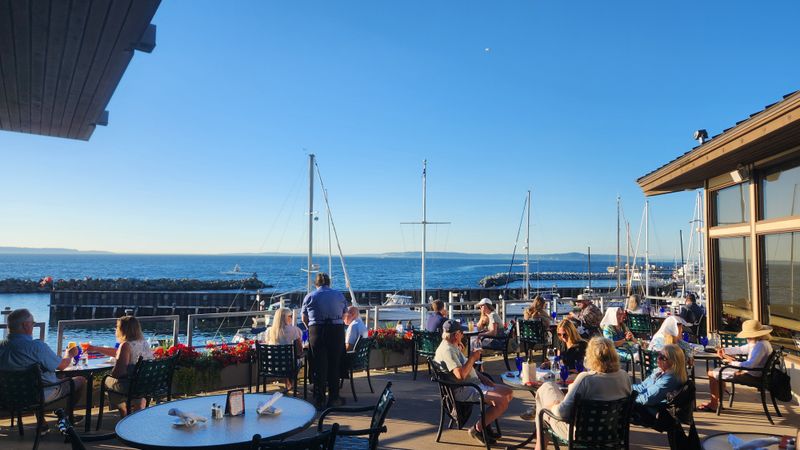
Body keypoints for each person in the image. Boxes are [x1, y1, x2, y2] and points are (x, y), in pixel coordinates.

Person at [533, 337, 632, 450]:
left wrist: (553, 406)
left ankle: (539, 447)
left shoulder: (586, 379)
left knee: (544, 403)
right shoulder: (624, 377)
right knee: (549, 389)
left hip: (580, 434)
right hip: (610, 432)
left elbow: (562, 413)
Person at [434, 319, 514, 445]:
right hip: (463, 389)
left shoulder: (452, 346)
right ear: (456, 334)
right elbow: (460, 375)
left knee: (508, 392)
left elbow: (467, 369)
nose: (463, 335)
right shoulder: (447, 351)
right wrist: (472, 357)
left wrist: (483, 377)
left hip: (473, 384)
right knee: (501, 400)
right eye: (462, 333)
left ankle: (485, 422)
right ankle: (477, 429)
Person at [0, 308, 86, 415]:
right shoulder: (37, 347)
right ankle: (67, 417)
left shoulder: (1, 347)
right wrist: (69, 354)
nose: (33, 326)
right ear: (26, 325)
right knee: (80, 380)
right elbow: (62, 366)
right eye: (33, 323)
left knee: (44, 380)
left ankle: (42, 423)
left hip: (6, 395)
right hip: (36, 396)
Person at [697, 319, 773, 412]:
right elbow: (741, 349)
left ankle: (714, 404)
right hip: (755, 373)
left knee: (712, 373)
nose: (747, 338)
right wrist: (724, 350)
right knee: (718, 371)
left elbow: (750, 365)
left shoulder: (760, 345)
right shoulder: (760, 343)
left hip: (751, 375)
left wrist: (731, 362)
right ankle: (718, 402)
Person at [88, 315, 154, 417]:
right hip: (145, 383)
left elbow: (118, 373)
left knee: (106, 382)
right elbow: (118, 353)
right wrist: (95, 348)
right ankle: (138, 406)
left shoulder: (126, 345)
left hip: (131, 386)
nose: (116, 329)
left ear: (122, 330)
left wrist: (110, 373)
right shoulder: (144, 343)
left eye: (117, 327)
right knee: (121, 382)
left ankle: (125, 414)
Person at [521, 319, 587, 420]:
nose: (562, 337)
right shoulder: (562, 343)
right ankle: (540, 412)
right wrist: (549, 363)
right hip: (562, 373)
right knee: (542, 382)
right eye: (559, 335)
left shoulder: (581, 346)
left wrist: (563, 367)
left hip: (574, 377)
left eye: (565, 334)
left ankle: (538, 411)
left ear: (571, 332)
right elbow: (559, 359)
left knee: (546, 385)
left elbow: (581, 367)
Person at [301, 272, 349, 409]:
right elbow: (344, 314)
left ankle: (319, 399)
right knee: (334, 364)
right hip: (335, 330)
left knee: (318, 365)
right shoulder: (339, 295)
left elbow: (304, 318)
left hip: (317, 331)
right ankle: (334, 398)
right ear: (328, 283)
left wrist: (310, 328)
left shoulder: (309, 296)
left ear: (315, 284)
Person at [631, 344, 687, 426]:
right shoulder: (659, 371)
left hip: (655, 411)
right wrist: (626, 388)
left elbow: (647, 399)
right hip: (648, 404)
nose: (658, 359)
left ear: (673, 361)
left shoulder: (671, 378)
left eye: (662, 357)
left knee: (619, 405)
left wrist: (628, 397)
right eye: (658, 355)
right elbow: (642, 386)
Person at [263, 307, 303, 391]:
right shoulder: (294, 330)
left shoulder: (269, 331)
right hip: (289, 366)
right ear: (286, 317)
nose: (292, 318)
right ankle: (290, 383)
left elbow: (268, 346)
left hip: (272, 365)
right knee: (298, 360)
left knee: (283, 359)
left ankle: (287, 382)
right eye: (290, 316)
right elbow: (300, 350)